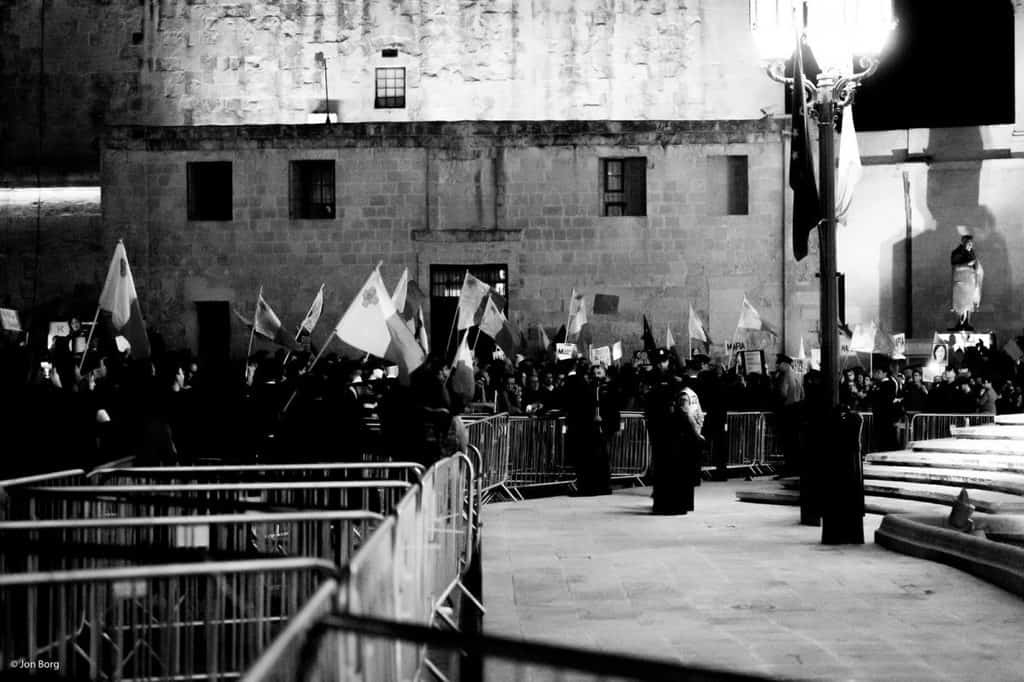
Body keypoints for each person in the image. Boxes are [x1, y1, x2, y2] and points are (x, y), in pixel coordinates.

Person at [651, 385, 703, 515]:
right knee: (680, 478)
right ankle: (680, 505)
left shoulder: (661, 413)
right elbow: (690, 426)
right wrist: (697, 435)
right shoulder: (682, 412)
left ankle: (666, 505)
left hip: (667, 449)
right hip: (680, 448)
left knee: (667, 478)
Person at [950, 234, 983, 331]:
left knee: (969, 303)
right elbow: (956, 267)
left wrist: (976, 267)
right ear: (963, 242)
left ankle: (967, 323)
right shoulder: (957, 253)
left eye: (971, 243)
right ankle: (960, 323)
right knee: (961, 304)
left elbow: (975, 265)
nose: (970, 245)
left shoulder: (971, 252)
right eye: (968, 243)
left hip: (970, 281)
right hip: (961, 282)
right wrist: (968, 264)